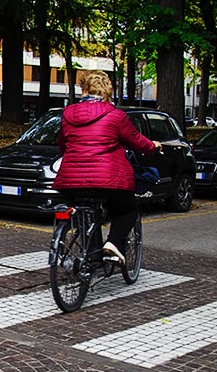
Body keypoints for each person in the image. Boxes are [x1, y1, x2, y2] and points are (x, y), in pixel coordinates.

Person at [52, 71, 161, 264]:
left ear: (83, 89)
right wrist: (154, 146)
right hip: (107, 180)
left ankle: (89, 254)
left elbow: (63, 145)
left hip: (70, 180)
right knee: (128, 210)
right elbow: (137, 141)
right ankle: (112, 244)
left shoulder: (67, 114)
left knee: (83, 213)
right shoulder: (115, 116)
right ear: (107, 90)